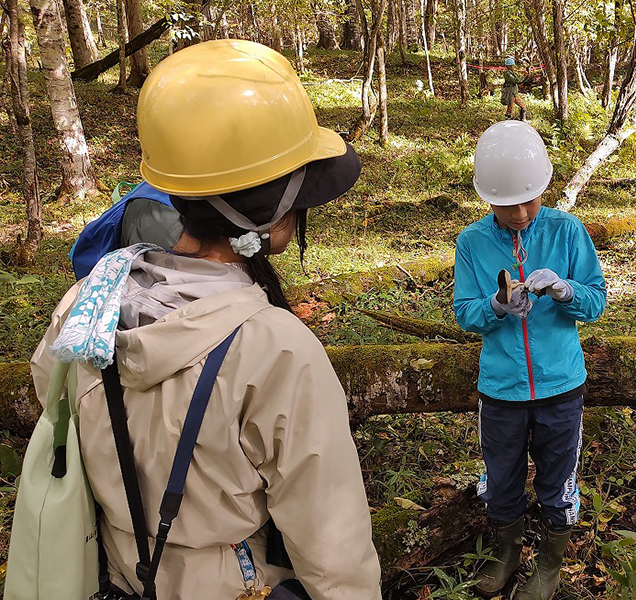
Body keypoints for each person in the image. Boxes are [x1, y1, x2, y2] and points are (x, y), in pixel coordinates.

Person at [29, 40, 382, 599]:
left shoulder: (84, 304)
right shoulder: (275, 349)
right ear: (272, 212)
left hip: (118, 574)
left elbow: (56, 403)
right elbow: (331, 541)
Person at [454, 120, 606, 599]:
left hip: (561, 384)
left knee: (558, 478)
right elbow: (464, 312)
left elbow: (597, 300)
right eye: (505, 203)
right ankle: (507, 553)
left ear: (544, 187)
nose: (519, 213)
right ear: (486, 198)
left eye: (529, 200)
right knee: (502, 478)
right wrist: (497, 308)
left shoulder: (567, 231)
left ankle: (551, 563)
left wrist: (565, 290)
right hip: (502, 389)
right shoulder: (472, 242)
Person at [501, 57, 527, 121]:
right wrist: (523, 76)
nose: (513, 67)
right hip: (510, 93)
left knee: (523, 106)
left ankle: (523, 120)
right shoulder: (507, 74)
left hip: (515, 93)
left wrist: (525, 75)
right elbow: (516, 80)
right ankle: (506, 122)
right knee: (510, 109)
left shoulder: (512, 73)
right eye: (512, 65)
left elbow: (518, 80)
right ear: (508, 66)